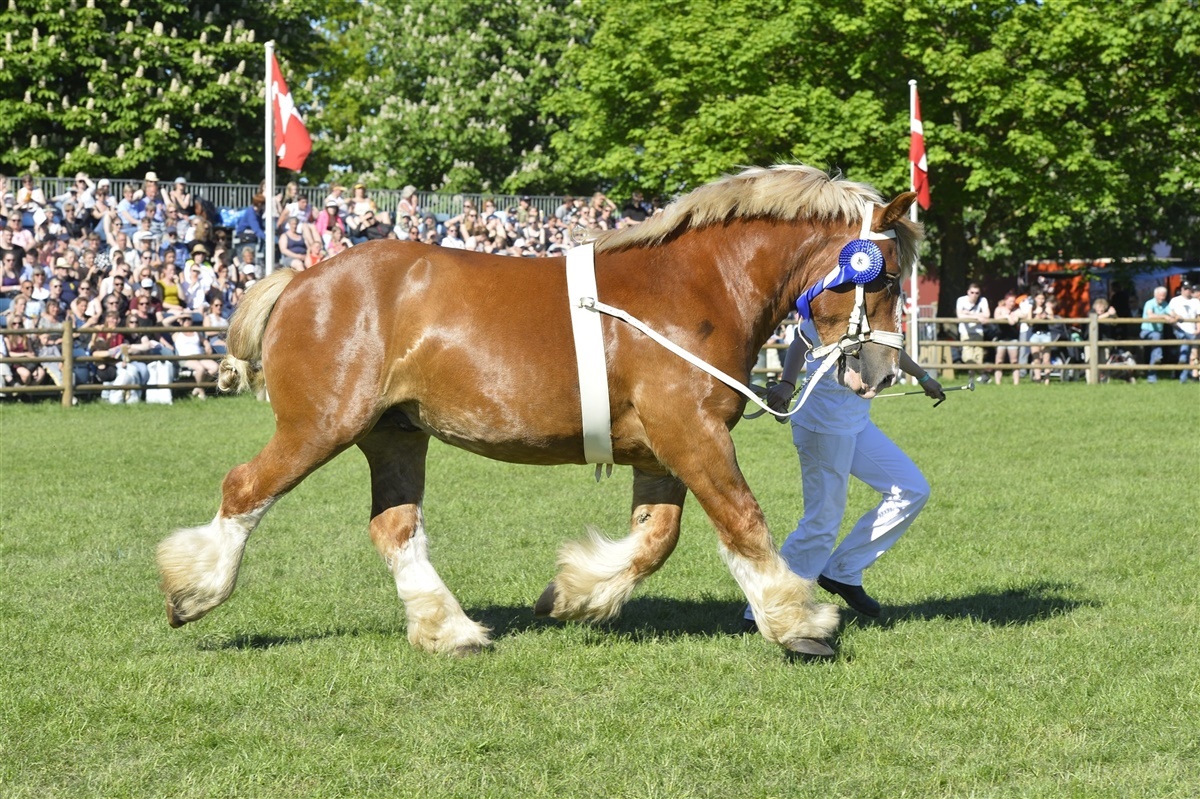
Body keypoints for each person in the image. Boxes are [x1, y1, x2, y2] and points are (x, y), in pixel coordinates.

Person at [741, 320, 944, 634]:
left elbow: (887, 348)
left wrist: (923, 376)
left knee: (911, 489)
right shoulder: (833, 303)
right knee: (821, 522)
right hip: (822, 425)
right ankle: (763, 611)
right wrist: (787, 383)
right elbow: (801, 340)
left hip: (857, 423)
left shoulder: (877, 306)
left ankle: (842, 572)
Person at [171, 314, 218, 399]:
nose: (187, 321)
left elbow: (204, 341)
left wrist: (207, 345)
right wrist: (179, 316)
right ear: (180, 321)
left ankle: (198, 387)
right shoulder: (176, 333)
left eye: (189, 319)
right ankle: (202, 393)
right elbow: (165, 323)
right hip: (185, 358)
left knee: (215, 367)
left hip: (199, 356)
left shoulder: (196, 332)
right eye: (184, 319)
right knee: (200, 369)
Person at [1139, 286, 1176, 383]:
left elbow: (1172, 313)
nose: (1162, 298)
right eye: (1160, 296)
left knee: (1155, 350)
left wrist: (1176, 317)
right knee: (1156, 339)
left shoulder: (1165, 304)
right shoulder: (1149, 303)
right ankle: (1158, 357)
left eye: (1164, 296)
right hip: (1146, 331)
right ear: (1155, 295)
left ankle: (1152, 377)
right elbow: (1150, 316)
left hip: (1158, 333)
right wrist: (1164, 317)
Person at [955, 283, 990, 382]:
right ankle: (984, 374)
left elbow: (987, 315)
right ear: (968, 292)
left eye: (977, 293)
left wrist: (969, 313)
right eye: (972, 292)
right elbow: (960, 316)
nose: (974, 295)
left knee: (978, 357)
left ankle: (972, 379)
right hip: (965, 332)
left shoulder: (983, 300)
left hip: (978, 332)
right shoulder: (961, 300)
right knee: (967, 357)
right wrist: (977, 316)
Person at [1167, 282, 1199, 383]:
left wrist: (1198, 329)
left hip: (1192, 330)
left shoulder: (1195, 302)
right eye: (1185, 288)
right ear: (1181, 289)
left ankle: (1183, 378)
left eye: (1189, 289)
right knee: (1185, 343)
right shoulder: (1175, 300)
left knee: (1189, 353)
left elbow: (1198, 316)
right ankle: (1182, 360)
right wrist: (1176, 316)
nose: (1187, 291)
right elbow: (1169, 312)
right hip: (1179, 329)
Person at [992, 290, 1020, 385]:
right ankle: (997, 382)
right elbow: (996, 318)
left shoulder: (1016, 310)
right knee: (999, 360)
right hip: (1001, 338)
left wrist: (1016, 316)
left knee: (1014, 361)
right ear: (1005, 301)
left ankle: (1016, 383)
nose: (1012, 303)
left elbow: (1022, 314)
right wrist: (1007, 317)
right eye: (1010, 301)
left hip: (1013, 338)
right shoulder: (999, 309)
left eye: (1013, 301)